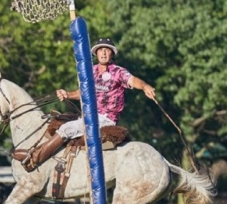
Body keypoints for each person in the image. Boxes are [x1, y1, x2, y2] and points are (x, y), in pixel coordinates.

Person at [14, 38, 156, 169]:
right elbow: (83, 92)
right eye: (100, 50)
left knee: (68, 128)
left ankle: (34, 159)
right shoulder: (91, 71)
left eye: (107, 50)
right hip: (89, 115)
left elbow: (133, 80)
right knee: (57, 121)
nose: (104, 53)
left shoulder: (118, 72)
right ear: (96, 53)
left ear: (112, 53)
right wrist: (68, 94)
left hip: (106, 119)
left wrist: (144, 86)